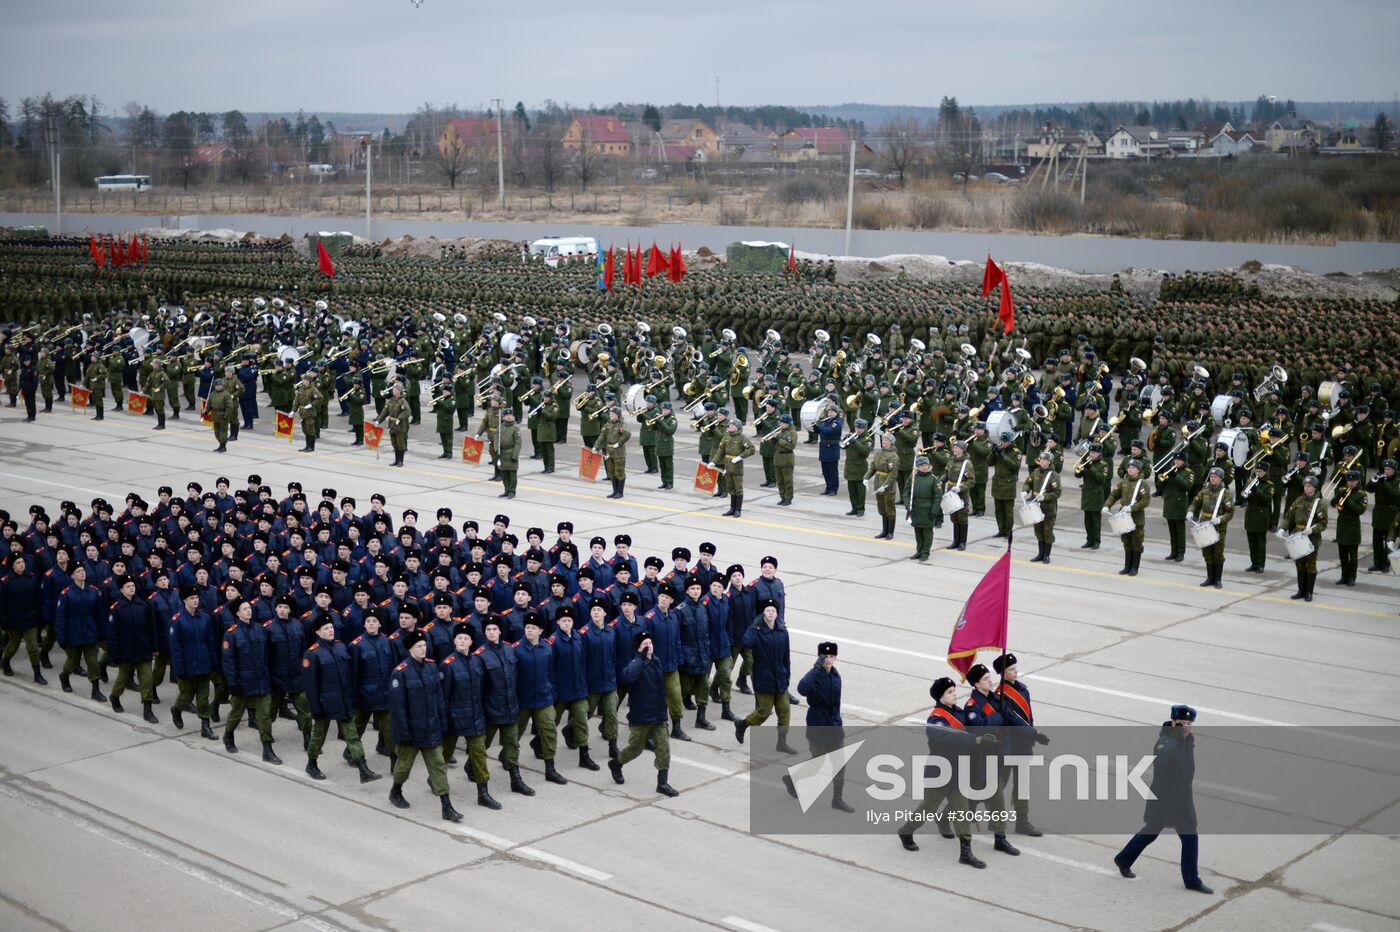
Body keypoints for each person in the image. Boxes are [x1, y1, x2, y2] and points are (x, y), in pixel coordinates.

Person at [1113, 704, 1213, 895]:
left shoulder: (1187, 741)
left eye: (1188, 723)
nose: (1184, 726)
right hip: (1164, 800)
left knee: (1183, 835)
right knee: (1153, 831)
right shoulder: (1165, 743)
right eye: (1180, 722)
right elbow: (1163, 762)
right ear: (1172, 722)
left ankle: (1125, 859)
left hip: (1182, 800)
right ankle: (1190, 880)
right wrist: (1175, 739)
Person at [897, 675, 991, 869]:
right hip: (940, 771)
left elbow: (972, 728)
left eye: (954, 690)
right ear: (940, 698)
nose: (954, 693)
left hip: (958, 771)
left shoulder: (959, 712)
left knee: (961, 810)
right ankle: (906, 831)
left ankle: (965, 852)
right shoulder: (936, 720)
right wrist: (977, 741)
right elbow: (952, 738)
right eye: (949, 692)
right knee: (928, 808)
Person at [387, 629, 463, 821]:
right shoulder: (400, 673)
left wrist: (442, 723)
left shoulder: (431, 667)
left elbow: (439, 698)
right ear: (410, 649)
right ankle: (396, 790)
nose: (423, 649)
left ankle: (446, 806)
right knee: (403, 766)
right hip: (411, 732)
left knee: (438, 765)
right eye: (419, 646)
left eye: (424, 645)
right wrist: (403, 734)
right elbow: (398, 708)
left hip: (430, 729)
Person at [781, 641, 853, 812]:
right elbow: (802, 689)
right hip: (818, 726)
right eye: (825, 656)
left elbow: (837, 703)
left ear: (835, 657)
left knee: (840, 764)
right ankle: (793, 778)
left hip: (835, 727)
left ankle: (837, 799)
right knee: (816, 764)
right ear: (819, 657)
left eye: (831, 656)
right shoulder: (814, 675)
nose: (828, 659)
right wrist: (816, 669)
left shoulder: (836, 676)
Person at [607, 630, 680, 797]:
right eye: (645, 644)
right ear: (639, 649)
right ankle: (616, 763)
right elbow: (627, 677)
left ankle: (662, 783)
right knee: (635, 749)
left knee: (664, 748)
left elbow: (660, 689)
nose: (649, 647)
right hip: (641, 717)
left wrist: (663, 713)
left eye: (650, 643)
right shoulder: (635, 663)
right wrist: (640, 659)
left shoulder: (656, 661)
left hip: (658, 716)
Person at [440, 622, 500, 809]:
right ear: (454, 641)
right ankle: (435, 779)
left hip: (475, 717)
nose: (463, 641)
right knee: (444, 755)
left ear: (471, 641)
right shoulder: (447, 665)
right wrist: (443, 723)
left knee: (479, 755)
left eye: (466, 638)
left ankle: (483, 792)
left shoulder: (476, 661)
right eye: (460, 638)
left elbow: (482, 689)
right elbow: (443, 697)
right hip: (455, 719)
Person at [220, 597, 281, 763]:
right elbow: (229, 662)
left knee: (265, 716)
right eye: (245, 608)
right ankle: (228, 735)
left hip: (262, 681)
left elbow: (268, 655)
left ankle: (267, 749)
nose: (249, 610)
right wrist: (233, 684)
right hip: (243, 683)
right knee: (236, 713)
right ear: (237, 613)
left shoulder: (260, 629)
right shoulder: (231, 634)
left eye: (249, 607)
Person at [478, 616, 534, 796]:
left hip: (511, 707)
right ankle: (471, 766)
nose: (491, 633)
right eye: (488, 630)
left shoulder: (510, 650)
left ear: (500, 631)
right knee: (483, 745)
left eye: (494, 629)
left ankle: (515, 780)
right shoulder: (480, 656)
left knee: (512, 744)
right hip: (491, 709)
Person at [992, 653, 1048, 835]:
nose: (1016, 671)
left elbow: (1028, 717)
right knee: (997, 785)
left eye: (1015, 667)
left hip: (1023, 743)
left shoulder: (1023, 689)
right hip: (1008, 745)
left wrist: (1031, 735)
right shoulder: (1000, 695)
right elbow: (1013, 719)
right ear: (1002, 673)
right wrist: (1034, 734)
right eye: (1011, 669)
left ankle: (1022, 821)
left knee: (1022, 783)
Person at [734, 599, 796, 754]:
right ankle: (743, 724)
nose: (770, 613)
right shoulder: (757, 630)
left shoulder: (783, 631)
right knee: (764, 711)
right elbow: (746, 642)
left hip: (780, 677)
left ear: (777, 614)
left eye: (773, 611)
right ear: (763, 613)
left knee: (784, 710)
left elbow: (786, 656)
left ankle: (782, 742)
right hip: (763, 676)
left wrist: (787, 674)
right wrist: (755, 625)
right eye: (767, 611)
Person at [168, 584, 218, 740]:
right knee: (186, 697)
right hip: (187, 666)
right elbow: (175, 648)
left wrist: (213, 661)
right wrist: (179, 669)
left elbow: (210, 640)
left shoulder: (204, 617)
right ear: (184, 600)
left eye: (197, 598)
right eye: (192, 598)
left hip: (203, 663)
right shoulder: (177, 621)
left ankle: (205, 727)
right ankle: (176, 710)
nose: (195, 601)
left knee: (203, 699)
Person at [106, 576, 158, 722]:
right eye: (128, 586)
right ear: (122, 589)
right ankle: (115, 696)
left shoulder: (143, 605)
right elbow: (112, 634)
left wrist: (154, 647)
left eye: (133, 586)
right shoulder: (116, 608)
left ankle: (147, 710)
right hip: (126, 651)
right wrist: (114, 654)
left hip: (143, 649)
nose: (131, 588)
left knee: (147, 679)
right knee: (123, 678)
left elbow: (150, 627)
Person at [55, 563, 105, 701]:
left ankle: (95, 690)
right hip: (73, 633)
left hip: (90, 632)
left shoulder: (93, 592)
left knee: (93, 663)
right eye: (78, 571)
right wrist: (61, 638)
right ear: (72, 575)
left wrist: (101, 632)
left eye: (83, 570)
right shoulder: (66, 594)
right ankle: (64, 676)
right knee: (72, 662)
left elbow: (99, 614)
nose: (82, 573)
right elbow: (60, 618)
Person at [1, 553, 48, 684]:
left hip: (30, 618)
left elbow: (38, 598)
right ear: (12, 566)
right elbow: (2, 604)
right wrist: (3, 621)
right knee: (13, 645)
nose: (21, 565)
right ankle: (5, 662)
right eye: (18, 563)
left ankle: (37, 674)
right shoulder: (6, 582)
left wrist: (39, 615)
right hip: (14, 620)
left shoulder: (32, 578)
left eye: (22, 562)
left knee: (33, 647)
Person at [1282, 474, 1327, 602]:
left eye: (1309, 486)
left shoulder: (1320, 503)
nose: (1307, 488)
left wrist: (1313, 530)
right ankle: (1301, 590)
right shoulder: (1298, 501)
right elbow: (1289, 517)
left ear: (1315, 488)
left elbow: (1323, 523)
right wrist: (1282, 527)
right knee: (1299, 565)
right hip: (1297, 534)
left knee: (1311, 565)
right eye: (1305, 486)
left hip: (1311, 537)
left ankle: (1309, 592)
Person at [1190, 466, 1234, 588]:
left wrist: (1221, 519)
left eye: (1215, 477)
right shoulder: (1204, 491)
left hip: (1218, 526)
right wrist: (1190, 511)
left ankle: (1218, 579)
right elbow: (1195, 503)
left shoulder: (1226, 494)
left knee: (1218, 553)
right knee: (1207, 552)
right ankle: (1210, 578)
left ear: (1221, 479)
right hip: (1205, 523)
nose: (1213, 479)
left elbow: (1230, 512)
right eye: (1211, 477)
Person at [1106, 458, 1151, 576]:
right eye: (1129, 467)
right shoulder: (1124, 482)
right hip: (1123, 515)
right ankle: (1127, 566)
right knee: (1126, 540)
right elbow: (1114, 495)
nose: (1130, 470)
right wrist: (1107, 505)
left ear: (1138, 470)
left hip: (1136, 517)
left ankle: (1134, 567)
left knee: (1136, 542)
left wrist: (1133, 508)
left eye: (1133, 468)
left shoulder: (1143, 483)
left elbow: (1146, 501)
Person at [1024, 450, 1061, 564]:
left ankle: (1047, 555)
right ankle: (1040, 554)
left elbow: (1057, 492)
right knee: (1038, 530)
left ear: (1049, 462)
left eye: (1045, 459)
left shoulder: (1054, 475)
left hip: (1048, 508)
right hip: (1036, 506)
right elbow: (1027, 482)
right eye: (1041, 459)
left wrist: (1045, 497)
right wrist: (1025, 491)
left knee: (1047, 531)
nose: (1042, 461)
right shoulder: (1036, 472)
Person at [1332, 470, 1366, 587]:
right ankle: (1344, 576)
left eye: (1353, 481)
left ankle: (1352, 577)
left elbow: (1360, 510)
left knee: (1353, 555)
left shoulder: (1362, 494)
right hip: (1342, 525)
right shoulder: (1342, 490)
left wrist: (1349, 501)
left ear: (1358, 481)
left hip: (1353, 526)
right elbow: (1332, 504)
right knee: (1342, 554)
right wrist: (1337, 497)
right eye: (1349, 481)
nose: (1350, 483)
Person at [906, 454, 940, 560]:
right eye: (921, 465)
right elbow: (906, 492)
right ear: (917, 467)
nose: (924, 467)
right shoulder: (913, 478)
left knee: (927, 532)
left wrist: (934, 510)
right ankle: (919, 551)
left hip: (928, 509)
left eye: (926, 465)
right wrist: (908, 506)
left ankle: (925, 552)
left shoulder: (933, 479)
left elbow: (938, 497)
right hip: (916, 509)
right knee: (918, 531)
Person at [868, 434, 900, 540]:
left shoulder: (893, 456)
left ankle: (890, 532)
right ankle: (884, 531)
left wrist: (885, 485)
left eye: (886, 440)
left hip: (888, 486)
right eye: (883, 440)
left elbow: (893, 474)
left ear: (891, 442)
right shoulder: (879, 453)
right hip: (878, 483)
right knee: (882, 508)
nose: (884, 442)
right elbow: (873, 466)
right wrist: (866, 477)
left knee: (889, 508)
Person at [600, 407, 631, 500]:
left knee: (619, 472)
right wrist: (596, 446)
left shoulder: (622, 424)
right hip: (610, 450)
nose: (611, 415)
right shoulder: (608, 424)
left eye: (612, 414)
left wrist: (619, 443)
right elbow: (602, 436)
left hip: (619, 452)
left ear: (617, 415)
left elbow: (627, 434)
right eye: (610, 414)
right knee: (612, 472)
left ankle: (620, 492)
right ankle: (614, 491)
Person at [497, 409, 521, 498]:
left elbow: (518, 443)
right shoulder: (500, 427)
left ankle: (512, 491)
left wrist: (515, 455)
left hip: (511, 453)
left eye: (510, 415)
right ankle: (506, 490)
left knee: (512, 475)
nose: (509, 416)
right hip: (502, 454)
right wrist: (497, 450)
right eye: (507, 415)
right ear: (503, 417)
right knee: (505, 475)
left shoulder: (515, 428)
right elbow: (496, 439)